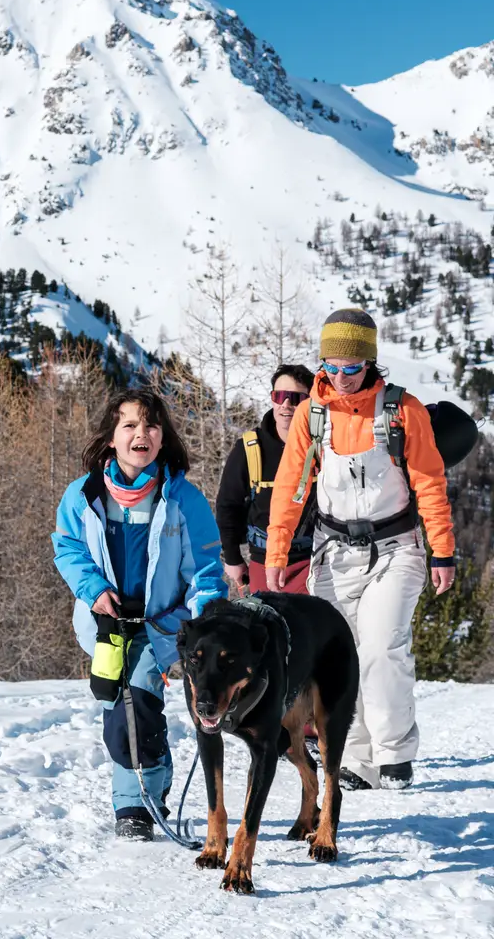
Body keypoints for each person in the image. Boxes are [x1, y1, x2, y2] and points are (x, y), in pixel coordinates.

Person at [265, 308, 456, 791]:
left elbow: (430, 483)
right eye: (331, 365)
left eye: (352, 367)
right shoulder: (313, 413)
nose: (341, 376)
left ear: (369, 363)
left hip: (395, 548)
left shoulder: (401, 410)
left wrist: (443, 550)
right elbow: (291, 486)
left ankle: (394, 753)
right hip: (333, 551)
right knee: (339, 655)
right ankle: (355, 757)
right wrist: (276, 552)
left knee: (380, 645)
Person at [52, 389, 227, 841]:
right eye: (128, 425)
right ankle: (143, 784)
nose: (140, 434)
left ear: (163, 436)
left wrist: (203, 617)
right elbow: (67, 548)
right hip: (106, 625)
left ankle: (138, 801)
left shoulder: (181, 497)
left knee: (143, 701)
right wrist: (93, 591)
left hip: (161, 625)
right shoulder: (83, 494)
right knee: (116, 710)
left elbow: (207, 565)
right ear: (111, 437)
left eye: (150, 426)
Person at [217, 364, 317, 593]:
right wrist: (232, 558)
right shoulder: (251, 449)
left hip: (312, 561)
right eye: (279, 396)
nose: (286, 405)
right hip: (263, 562)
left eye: (295, 398)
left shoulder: (321, 447)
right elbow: (227, 506)